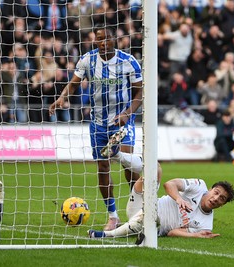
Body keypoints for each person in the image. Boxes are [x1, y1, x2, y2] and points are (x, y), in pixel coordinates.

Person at [49, 24, 143, 231]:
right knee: (102, 167)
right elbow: (73, 83)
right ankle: (113, 216)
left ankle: (137, 211)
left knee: (129, 165)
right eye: (98, 39)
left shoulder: (129, 62)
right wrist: (61, 98)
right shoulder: (87, 59)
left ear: (114, 40)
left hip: (122, 122)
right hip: (98, 124)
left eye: (106, 39)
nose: (102, 43)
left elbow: (140, 92)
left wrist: (127, 114)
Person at [88, 162, 234, 239]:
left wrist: (196, 235)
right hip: (141, 205)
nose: (216, 198)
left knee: (152, 217)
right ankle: (119, 155)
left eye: (221, 198)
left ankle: (106, 235)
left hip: (153, 225)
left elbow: (172, 233)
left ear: (222, 205)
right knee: (156, 168)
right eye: (216, 193)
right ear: (210, 189)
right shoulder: (199, 185)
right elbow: (170, 184)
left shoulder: (206, 226)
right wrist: (178, 198)